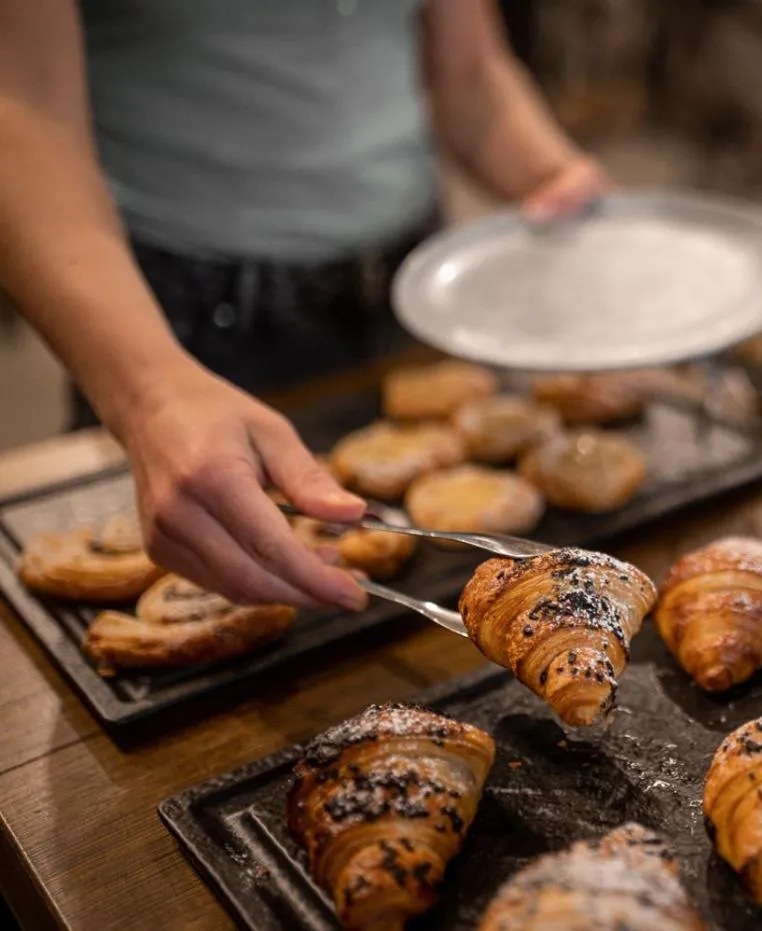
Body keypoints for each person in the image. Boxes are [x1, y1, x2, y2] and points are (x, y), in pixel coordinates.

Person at [0, 1, 606, 612]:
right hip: (173, 331)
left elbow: (472, 77)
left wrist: (560, 190)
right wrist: (147, 392)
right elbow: (20, 107)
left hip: (407, 293)